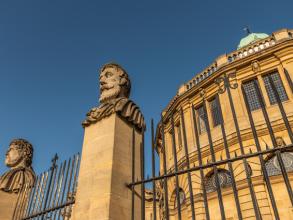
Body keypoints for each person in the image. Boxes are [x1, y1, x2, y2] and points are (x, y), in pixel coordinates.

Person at [82, 63, 145, 131]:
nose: (101, 81)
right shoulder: (94, 113)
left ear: (123, 81)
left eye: (108, 75)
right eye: (101, 78)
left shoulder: (130, 109)